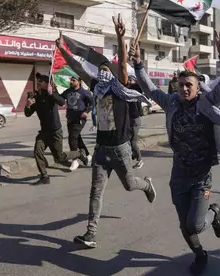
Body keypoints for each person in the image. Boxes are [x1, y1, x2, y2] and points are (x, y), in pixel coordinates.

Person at [132, 28, 220, 275]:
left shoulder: (206, 103)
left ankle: (213, 211)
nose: (184, 89)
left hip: (201, 177)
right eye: (181, 85)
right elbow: (150, 90)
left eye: (189, 85)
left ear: (198, 88)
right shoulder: (172, 103)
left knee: (196, 225)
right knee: (184, 226)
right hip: (179, 175)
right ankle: (200, 256)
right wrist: (137, 65)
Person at [56, 14, 156, 249]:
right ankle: (90, 234)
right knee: (95, 192)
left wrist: (121, 38)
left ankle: (147, 186)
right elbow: (77, 67)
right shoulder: (96, 87)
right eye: (99, 69)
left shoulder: (119, 87)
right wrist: (62, 49)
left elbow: (122, 64)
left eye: (105, 69)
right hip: (101, 150)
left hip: (120, 150)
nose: (102, 72)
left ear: (112, 74)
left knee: (130, 184)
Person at [24, 73, 71, 185]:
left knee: (59, 158)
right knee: (37, 152)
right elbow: (28, 114)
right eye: (38, 81)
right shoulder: (35, 96)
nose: (39, 82)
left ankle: (79, 154)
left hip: (55, 131)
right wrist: (27, 105)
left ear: (47, 84)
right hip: (44, 132)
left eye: (41, 81)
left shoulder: (52, 94)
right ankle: (44, 176)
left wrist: (52, 93)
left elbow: (62, 102)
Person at [61, 76, 93, 171]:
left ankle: (75, 160)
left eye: (73, 80)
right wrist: (53, 90)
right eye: (70, 80)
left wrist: (86, 111)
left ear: (79, 81)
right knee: (77, 137)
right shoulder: (68, 91)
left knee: (72, 137)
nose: (71, 82)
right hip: (70, 118)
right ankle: (87, 155)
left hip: (80, 119)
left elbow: (92, 103)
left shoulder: (84, 92)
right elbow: (60, 98)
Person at [127, 74, 146, 169]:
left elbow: (140, 86)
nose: (129, 81)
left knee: (133, 141)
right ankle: (133, 155)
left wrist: (138, 80)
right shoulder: (128, 89)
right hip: (129, 118)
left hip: (135, 118)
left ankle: (140, 160)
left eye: (131, 80)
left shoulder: (136, 89)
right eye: (128, 79)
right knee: (129, 140)